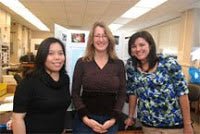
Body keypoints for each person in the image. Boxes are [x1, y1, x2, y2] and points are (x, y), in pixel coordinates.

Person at [124, 31, 193, 134]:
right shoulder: (131, 66)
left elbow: (182, 94)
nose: (138, 49)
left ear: (150, 46)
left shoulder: (169, 64)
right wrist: (130, 117)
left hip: (173, 124)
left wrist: (188, 125)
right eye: (134, 46)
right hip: (147, 123)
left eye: (142, 45)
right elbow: (133, 92)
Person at [72, 21, 126, 134]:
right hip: (85, 121)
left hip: (110, 122)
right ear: (91, 40)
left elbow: (122, 93)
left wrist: (113, 119)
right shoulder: (82, 63)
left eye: (104, 35)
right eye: (97, 36)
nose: (101, 39)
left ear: (109, 39)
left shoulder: (118, 64)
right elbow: (75, 93)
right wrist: (86, 120)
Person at [12, 37, 71, 134]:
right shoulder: (29, 82)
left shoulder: (65, 79)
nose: (57, 57)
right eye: (50, 53)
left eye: (60, 53)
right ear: (42, 56)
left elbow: (61, 110)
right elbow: (17, 118)